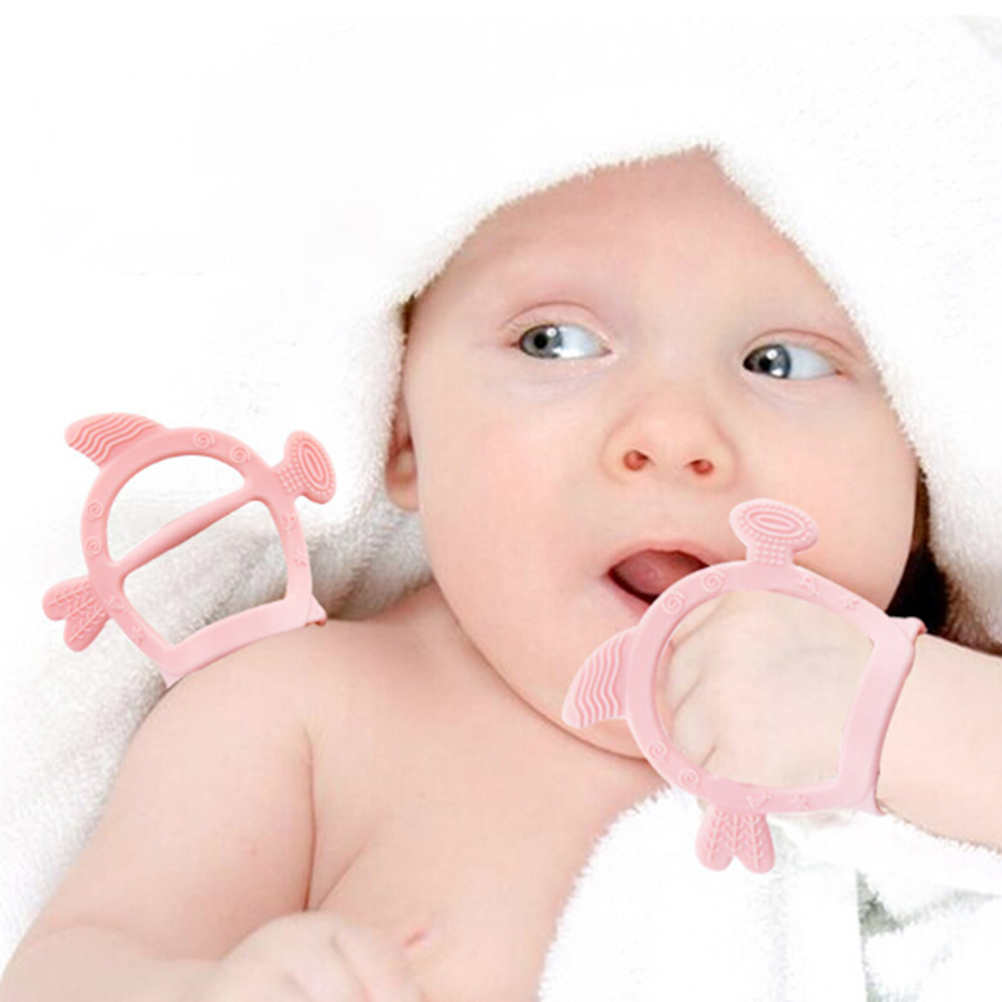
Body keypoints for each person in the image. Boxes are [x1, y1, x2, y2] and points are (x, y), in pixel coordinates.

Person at [2, 145, 1000, 1002]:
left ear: (923, 479)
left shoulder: (955, 710)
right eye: (555, 342)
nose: (672, 433)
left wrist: (895, 711)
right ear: (405, 435)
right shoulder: (306, 717)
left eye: (782, 362)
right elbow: (74, 967)